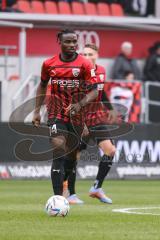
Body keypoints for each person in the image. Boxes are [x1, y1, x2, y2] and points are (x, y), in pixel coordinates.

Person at [32, 29, 99, 197]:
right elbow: (42, 85)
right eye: (68, 42)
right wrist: (36, 111)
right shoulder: (49, 64)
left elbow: (94, 91)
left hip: (77, 115)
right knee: (58, 149)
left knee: (71, 158)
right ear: (60, 43)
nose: (72, 45)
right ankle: (57, 198)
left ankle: (65, 184)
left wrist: (80, 104)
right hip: (55, 112)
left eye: (74, 42)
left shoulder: (85, 64)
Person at [64, 43, 117, 204]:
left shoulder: (101, 70)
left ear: (97, 55)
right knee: (74, 156)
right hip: (80, 120)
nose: (86, 57)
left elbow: (101, 91)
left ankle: (96, 188)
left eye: (90, 54)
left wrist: (110, 108)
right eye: (84, 54)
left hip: (97, 118)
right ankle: (70, 193)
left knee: (111, 150)